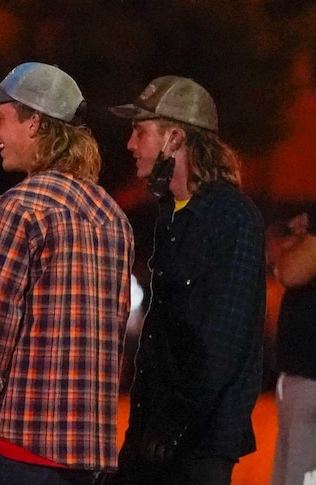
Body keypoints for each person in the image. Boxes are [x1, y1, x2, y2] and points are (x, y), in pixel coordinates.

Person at [0, 62, 135, 485]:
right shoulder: (112, 215)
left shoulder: (21, 206)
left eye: (0, 118)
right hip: (88, 449)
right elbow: (115, 325)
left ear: (35, 122)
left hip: (23, 440)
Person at [108, 75, 266, 484]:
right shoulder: (170, 213)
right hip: (151, 433)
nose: (130, 144)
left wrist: (175, 421)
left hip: (198, 446)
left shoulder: (232, 216)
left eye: (140, 131)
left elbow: (222, 340)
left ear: (175, 138)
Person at [269, 204, 316, 485]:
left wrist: (304, 241)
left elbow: (290, 271)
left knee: (298, 475)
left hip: (309, 376)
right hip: (301, 375)